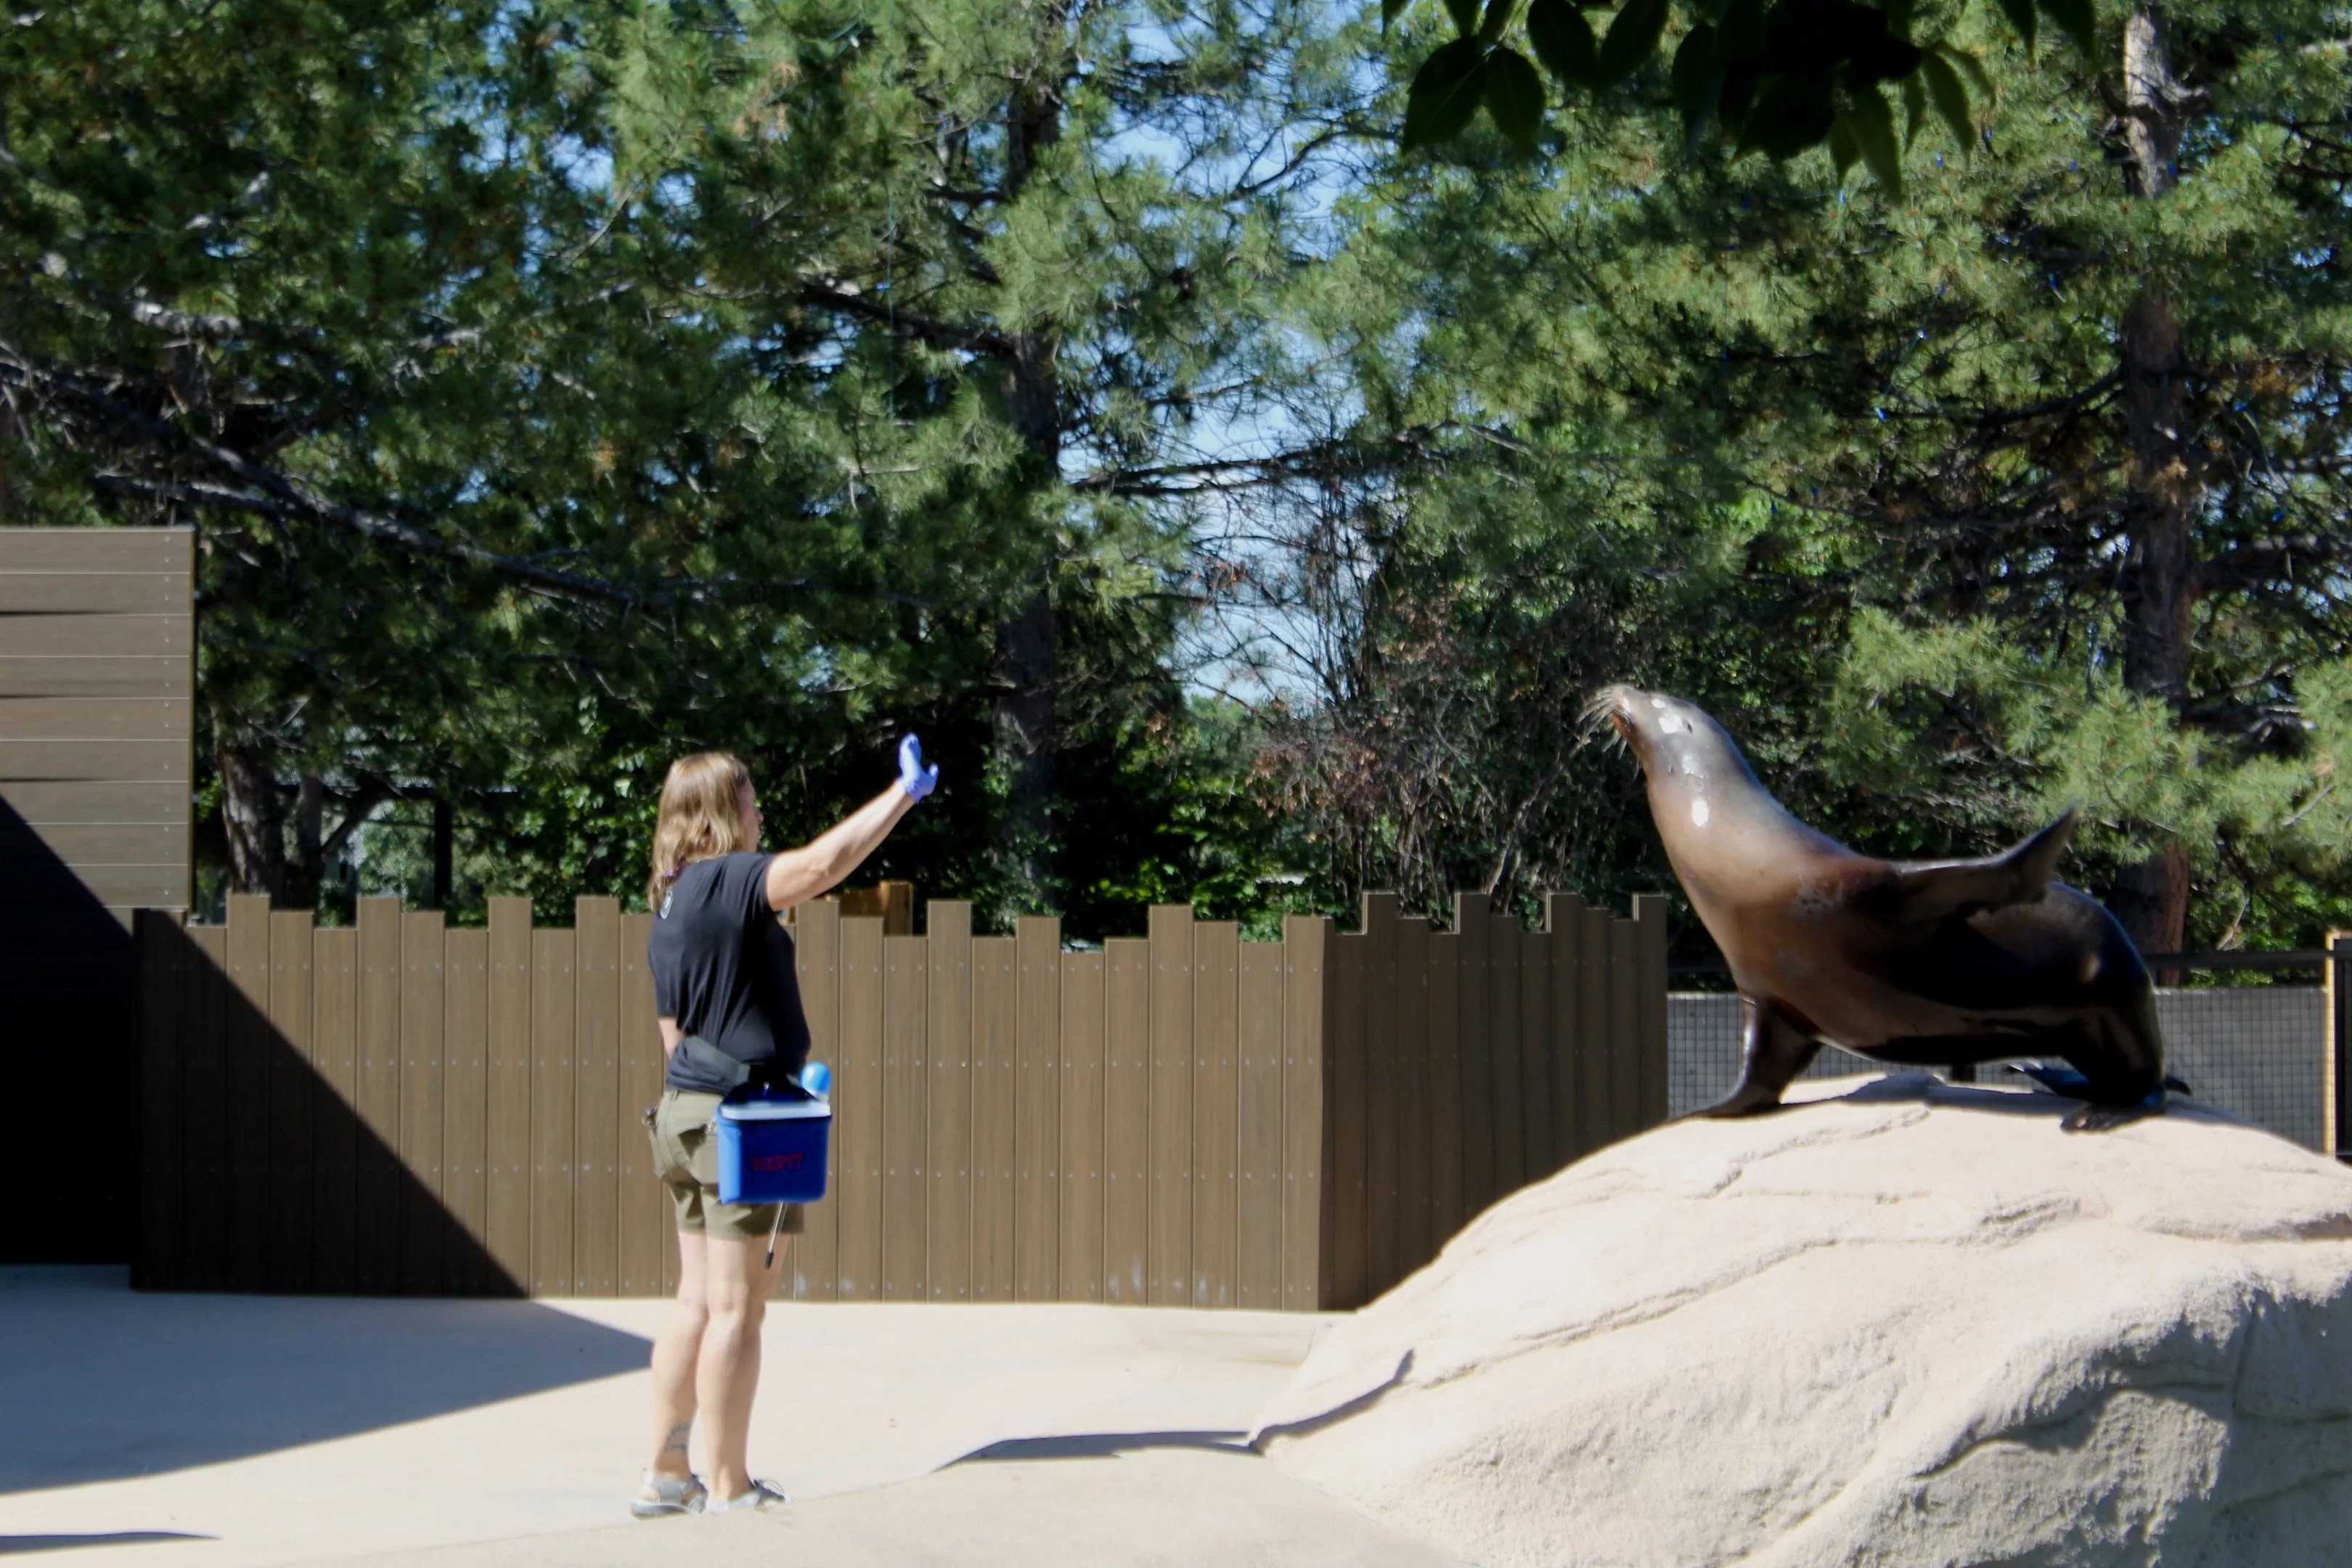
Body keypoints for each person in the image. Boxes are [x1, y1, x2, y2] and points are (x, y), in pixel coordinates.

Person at [634, 735, 939, 1516]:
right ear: (716, 815)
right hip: (736, 1121)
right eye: (749, 798)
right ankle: (730, 1485)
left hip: (686, 1113)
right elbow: (820, 867)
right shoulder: (732, 880)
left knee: (696, 1302)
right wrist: (901, 796)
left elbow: (674, 1034)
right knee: (740, 1307)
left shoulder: (669, 903)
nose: (759, 809)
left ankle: (667, 1475)